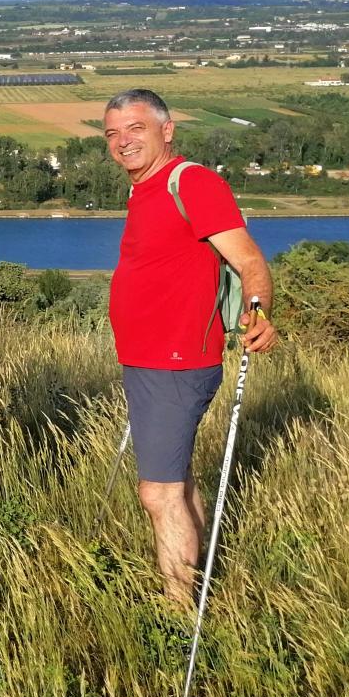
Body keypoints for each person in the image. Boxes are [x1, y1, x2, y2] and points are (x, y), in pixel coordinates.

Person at [104, 88, 276, 607]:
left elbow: (250, 261)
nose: (123, 141)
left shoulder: (192, 182)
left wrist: (260, 310)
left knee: (157, 494)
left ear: (167, 129)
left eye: (135, 128)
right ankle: (196, 586)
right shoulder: (144, 189)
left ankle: (177, 613)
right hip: (148, 360)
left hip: (175, 363)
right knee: (176, 480)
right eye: (112, 133)